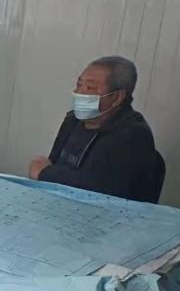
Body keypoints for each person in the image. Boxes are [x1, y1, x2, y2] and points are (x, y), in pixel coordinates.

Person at [29, 56, 163, 203]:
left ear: (117, 97)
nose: (79, 92)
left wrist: (46, 173)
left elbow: (99, 189)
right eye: (79, 85)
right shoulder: (73, 120)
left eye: (89, 88)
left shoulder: (133, 134)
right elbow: (52, 165)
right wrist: (46, 173)